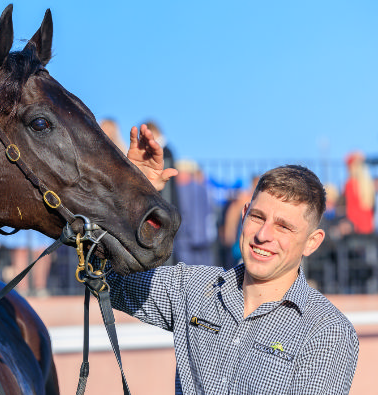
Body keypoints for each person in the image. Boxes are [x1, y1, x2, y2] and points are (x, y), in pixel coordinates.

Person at [109, 125, 359, 394]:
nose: (263, 235)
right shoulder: (193, 288)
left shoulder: (327, 331)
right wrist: (130, 192)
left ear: (312, 242)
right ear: (244, 214)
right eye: (258, 217)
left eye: (283, 227)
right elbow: (103, 275)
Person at [173, 159, 215, 266]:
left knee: (187, 272)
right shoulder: (202, 188)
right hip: (204, 237)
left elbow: (183, 213)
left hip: (186, 238)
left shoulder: (181, 189)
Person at [344, 151, 374, 234]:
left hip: (355, 227)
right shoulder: (368, 185)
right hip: (368, 227)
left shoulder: (350, 184)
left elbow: (349, 208)